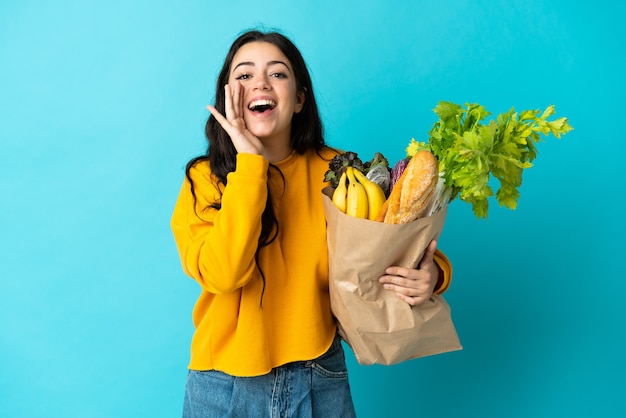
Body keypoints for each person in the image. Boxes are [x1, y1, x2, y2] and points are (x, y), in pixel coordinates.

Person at [170, 29, 452, 418]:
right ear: (227, 96)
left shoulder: (343, 173)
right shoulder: (205, 179)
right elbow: (223, 274)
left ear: (300, 98)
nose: (261, 83)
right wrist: (251, 166)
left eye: (278, 73)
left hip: (320, 376)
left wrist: (432, 275)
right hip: (222, 385)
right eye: (245, 74)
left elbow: (392, 244)